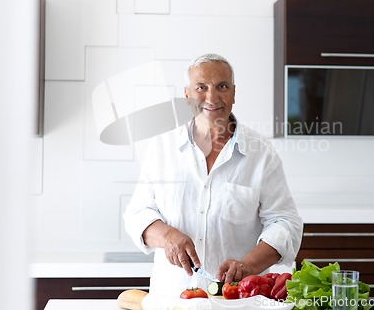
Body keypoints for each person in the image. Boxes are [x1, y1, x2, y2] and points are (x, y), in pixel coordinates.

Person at [124, 53, 303, 297]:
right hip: (174, 298)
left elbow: (285, 223)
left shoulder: (262, 153)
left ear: (234, 93)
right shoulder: (162, 148)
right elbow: (137, 214)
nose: (212, 97)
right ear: (187, 95)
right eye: (201, 87)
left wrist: (249, 265)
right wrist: (167, 237)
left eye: (222, 86)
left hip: (239, 299)